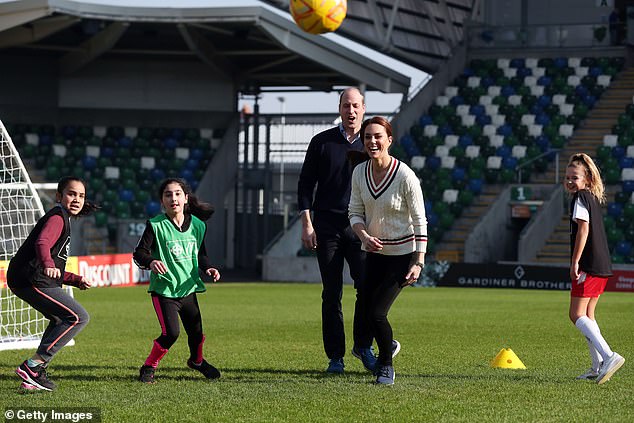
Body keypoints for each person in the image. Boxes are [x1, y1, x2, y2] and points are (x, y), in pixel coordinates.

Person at [297, 87, 389, 374]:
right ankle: (335, 356)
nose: (351, 111)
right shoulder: (321, 142)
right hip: (327, 228)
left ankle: (363, 345)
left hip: (362, 228)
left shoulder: (372, 143)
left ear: (363, 108)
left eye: (356, 106)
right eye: (346, 105)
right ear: (340, 108)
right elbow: (304, 185)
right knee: (331, 293)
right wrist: (307, 224)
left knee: (368, 289)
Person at [348, 116, 427, 385]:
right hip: (373, 254)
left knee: (377, 313)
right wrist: (364, 235)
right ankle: (374, 347)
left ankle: (386, 366)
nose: (372, 141)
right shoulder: (359, 172)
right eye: (368, 136)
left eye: (378, 136)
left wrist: (418, 261)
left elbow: (420, 220)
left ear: (389, 140)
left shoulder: (405, 175)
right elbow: (355, 212)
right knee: (364, 306)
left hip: (402, 256)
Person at [8, 176, 97, 391]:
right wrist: (47, 262)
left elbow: (55, 268)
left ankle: (34, 374)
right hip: (31, 278)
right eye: (71, 194)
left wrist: (75, 279)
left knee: (59, 318)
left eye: (81, 196)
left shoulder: (63, 218)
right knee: (78, 317)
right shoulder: (57, 217)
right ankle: (33, 365)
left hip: (27, 277)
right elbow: (42, 243)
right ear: (59, 196)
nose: (77, 199)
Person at [133, 178, 221, 384]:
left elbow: (200, 253)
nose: (173, 198)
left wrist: (208, 267)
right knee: (171, 333)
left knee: (197, 334)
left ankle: (197, 361)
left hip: (189, 288)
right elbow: (139, 253)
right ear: (162, 201)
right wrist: (152, 261)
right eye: (168, 195)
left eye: (177, 194)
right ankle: (148, 367)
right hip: (164, 290)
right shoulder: (155, 225)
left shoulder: (198, 225)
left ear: (186, 198)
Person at [564, 153, 624, 385]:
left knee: (576, 314)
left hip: (588, 264)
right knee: (588, 315)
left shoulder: (580, 197)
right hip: (602, 264)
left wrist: (575, 261)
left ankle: (609, 356)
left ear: (587, 178)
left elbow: (583, 230)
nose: (570, 181)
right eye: (567, 177)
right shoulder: (591, 197)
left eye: (575, 177)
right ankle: (597, 366)